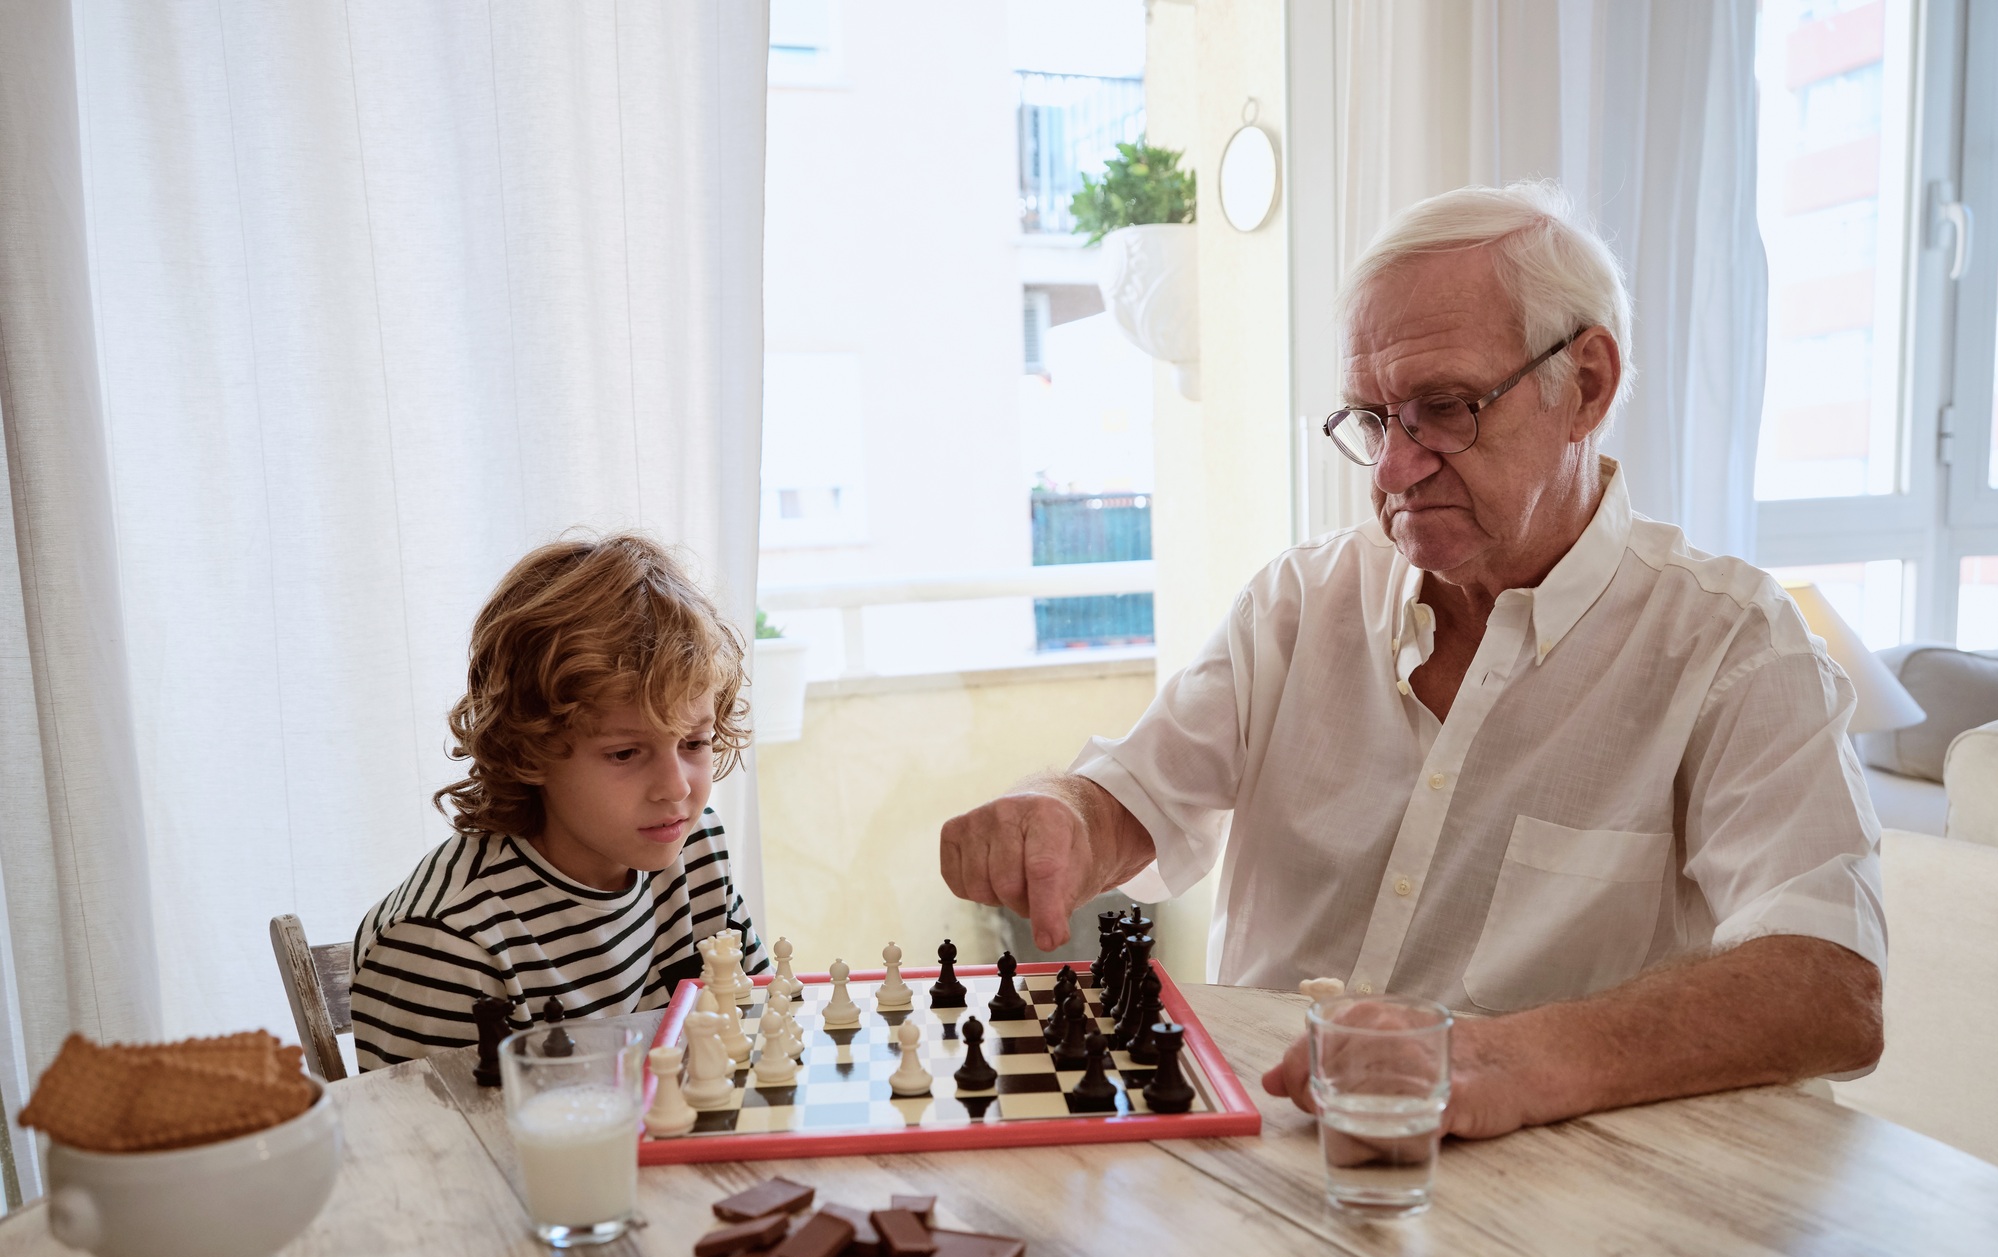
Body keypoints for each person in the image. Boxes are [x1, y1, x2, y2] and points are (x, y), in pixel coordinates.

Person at [940, 182, 1883, 1140]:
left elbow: (1829, 988)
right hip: (1271, 1173)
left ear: (1587, 385)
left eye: (1444, 408)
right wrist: (1058, 814)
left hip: (1556, 1215)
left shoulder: (1729, 644)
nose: (1394, 468)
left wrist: (1512, 1056)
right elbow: (1127, 803)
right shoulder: (1298, 604)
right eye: (1373, 418)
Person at [349, 534, 766, 1071]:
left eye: (694, 743)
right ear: (530, 750)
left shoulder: (696, 847)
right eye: (624, 753)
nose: (677, 788)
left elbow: (761, 1028)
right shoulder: (445, 944)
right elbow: (440, 1150)